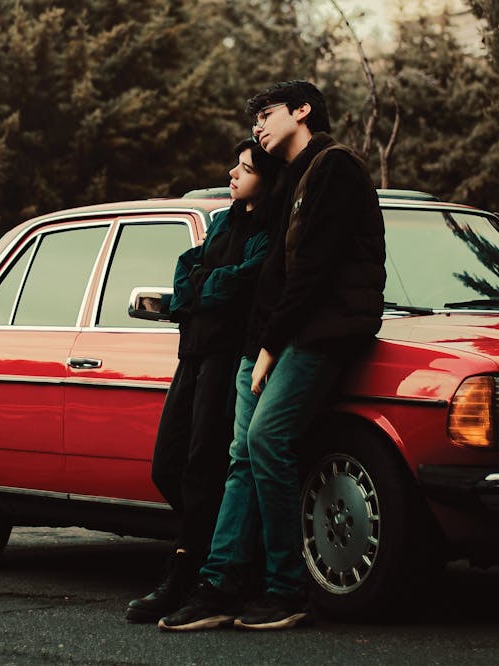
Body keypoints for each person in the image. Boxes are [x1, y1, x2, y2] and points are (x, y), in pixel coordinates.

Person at [159, 80, 386, 632]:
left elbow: (314, 271)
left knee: (266, 441)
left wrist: (268, 347)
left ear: (303, 110)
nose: (258, 124)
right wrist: (255, 342)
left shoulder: (335, 168)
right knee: (242, 455)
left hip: (318, 334)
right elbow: (270, 272)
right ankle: (220, 585)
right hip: (265, 339)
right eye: (254, 116)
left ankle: (287, 589)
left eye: (267, 113)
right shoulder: (287, 181)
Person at [126, 139, 282, 624]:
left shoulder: (269, 230)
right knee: (168, 465)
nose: (232, 174)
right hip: (192, 353)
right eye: (234, 165)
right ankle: (207, 551)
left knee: (203, 467)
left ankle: (188, 572)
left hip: (228, 355)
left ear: (268, 178)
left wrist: (201, 289)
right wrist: (201, 289)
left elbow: (241, 282)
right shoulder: (221, 221)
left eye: (245, 167)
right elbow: (187, 271)